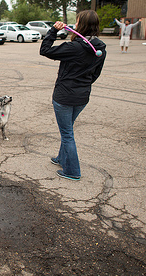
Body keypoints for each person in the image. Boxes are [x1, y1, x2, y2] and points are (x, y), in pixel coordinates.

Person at [39, 10, 106, 181]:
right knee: (67, 129)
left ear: (81, 25)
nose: (75, 24)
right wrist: (83, 85)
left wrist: (53, 30)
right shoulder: (99, 48)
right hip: (82, 97)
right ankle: (62, 158)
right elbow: (95, 74)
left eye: (77, 22)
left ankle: (72, 171)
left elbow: (45, 50)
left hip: (64, 97)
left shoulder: (74, 47)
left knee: (67, 133)